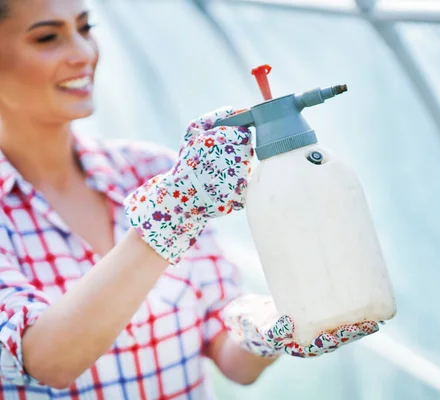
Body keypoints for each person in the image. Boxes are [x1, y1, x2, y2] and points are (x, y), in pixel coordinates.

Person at [0, 0, 380, 398]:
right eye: (47, 37)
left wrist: (275, 328)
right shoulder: (174, 192)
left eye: (85, 28)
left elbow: (228, 351)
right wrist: (175, 210)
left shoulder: (149, 168)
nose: (83, 53)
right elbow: (46, 360)